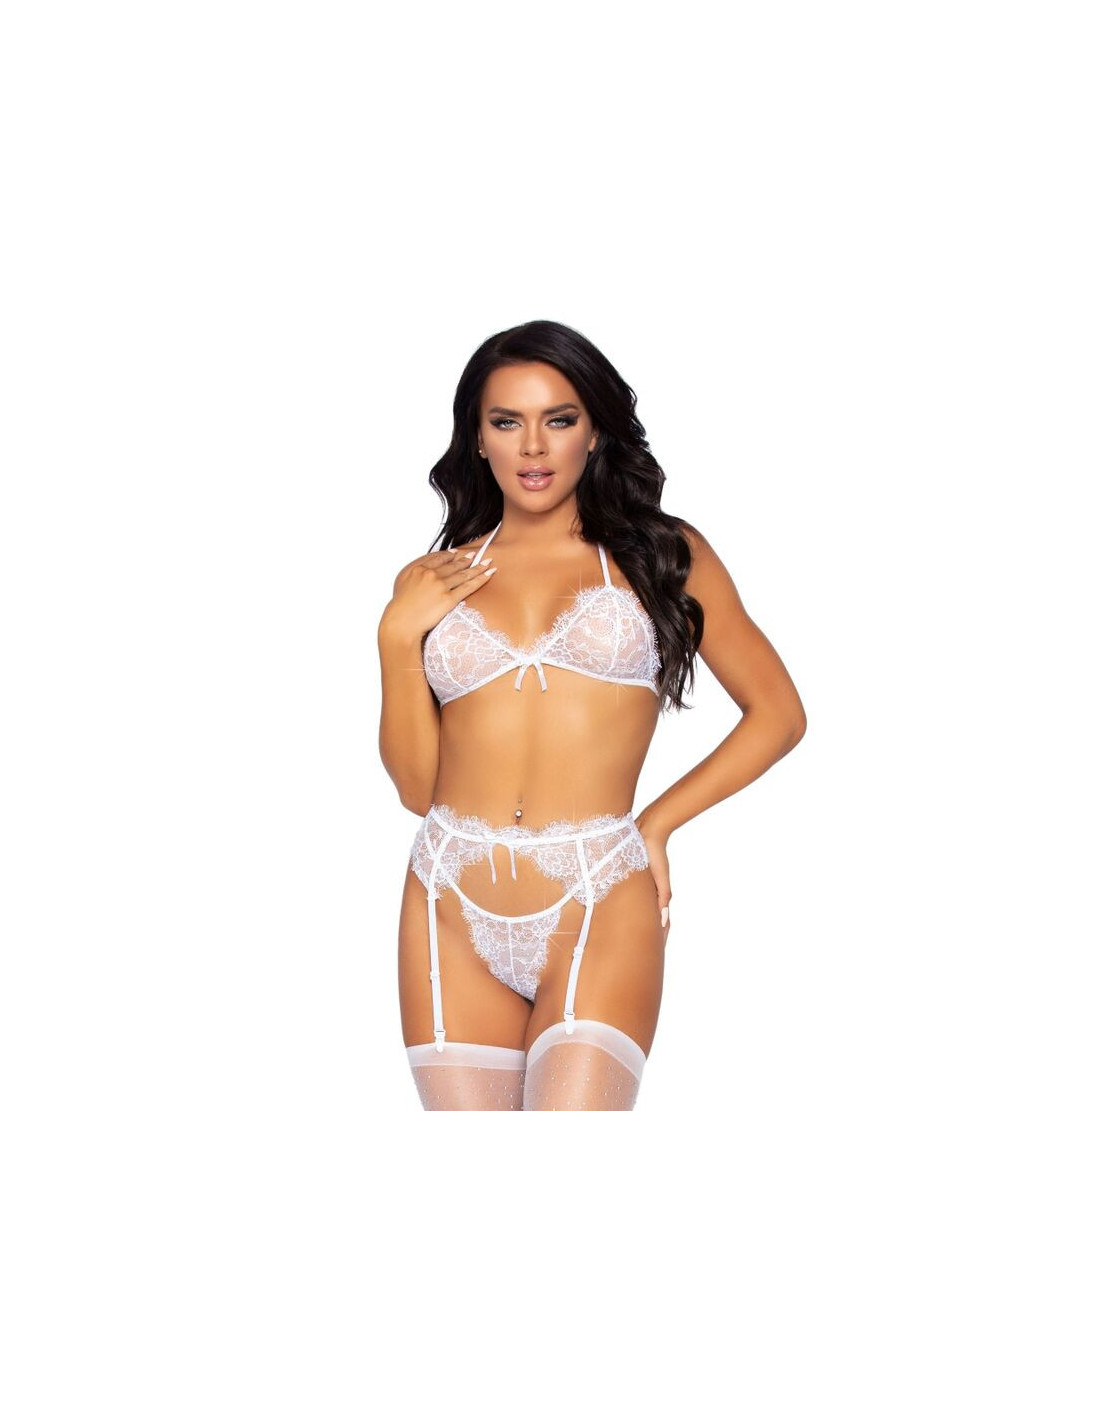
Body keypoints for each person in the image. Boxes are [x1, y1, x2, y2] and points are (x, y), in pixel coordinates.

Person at [377, 320, 806, 1111]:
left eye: (559, 419)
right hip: (445, 893)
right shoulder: (434, 579)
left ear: (596, 430)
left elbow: (777, 713)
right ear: (477, 438)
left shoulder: (661, 556)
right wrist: (395, 638)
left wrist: (657, 824)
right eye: (507, 421)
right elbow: (416, 789)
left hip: (597, 889)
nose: (533, 446)